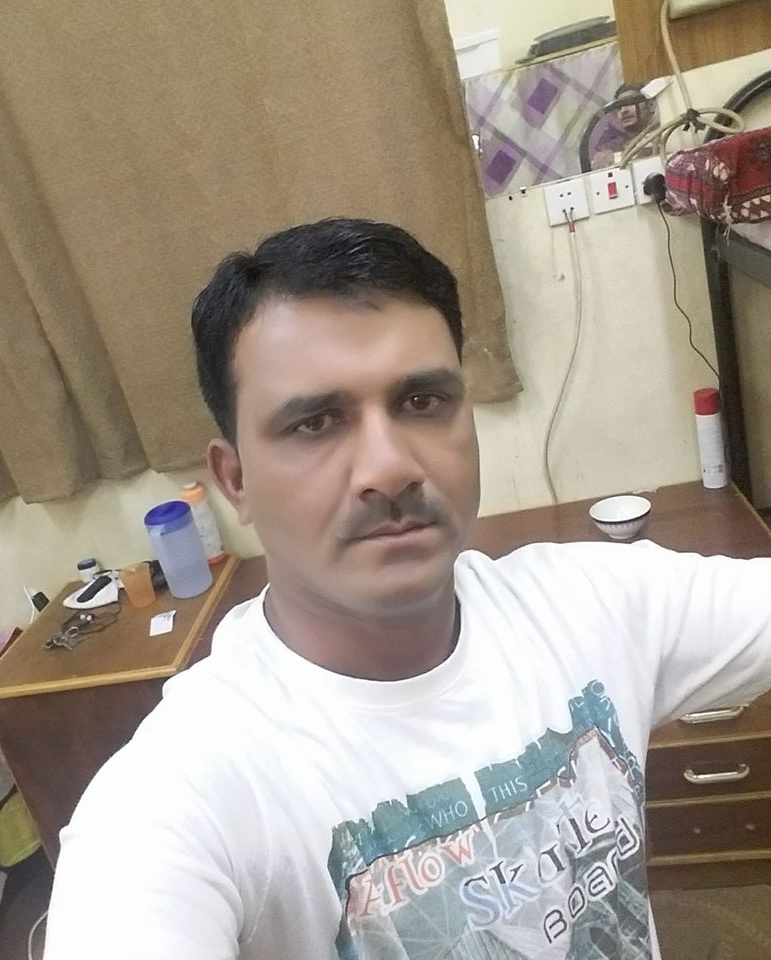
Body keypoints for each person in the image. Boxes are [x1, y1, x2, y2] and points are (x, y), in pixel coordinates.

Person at [44, 218, 771, 960]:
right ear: (235, 481)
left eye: (421, 402)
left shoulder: (591, 604)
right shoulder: (183, 792)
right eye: (315, 423)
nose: (388, 468)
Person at [590, 83, 658, 169]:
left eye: (629, 103)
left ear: (651, 105)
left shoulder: (667, 136)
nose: (623, 111)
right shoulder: (617, 144)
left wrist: (616, 158)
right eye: (619, 107)